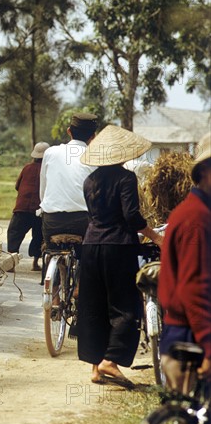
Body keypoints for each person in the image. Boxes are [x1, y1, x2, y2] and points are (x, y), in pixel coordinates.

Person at [76, 125, 163, 386]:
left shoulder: (89, 180)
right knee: (125, 306)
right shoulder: (126, 179)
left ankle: (95, 367)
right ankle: (110, 361)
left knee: (94, 307)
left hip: (91, 246)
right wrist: (156, 236)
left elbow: (94, 216)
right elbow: (132, 217)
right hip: (118, 247)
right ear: (122, 154)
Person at [158, 131, 211, 390]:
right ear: (205, 173)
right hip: (190, 337)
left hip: (186, 332)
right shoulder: (195, 219)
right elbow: (194, 287)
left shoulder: (196, 212)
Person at [39, 112, 98, 248]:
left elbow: (43, 189)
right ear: (93, 136)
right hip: (82, 221)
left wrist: (44, 205)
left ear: (69, 131)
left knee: (50, 250)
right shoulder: (95, 157)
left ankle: (49, 264)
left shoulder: (50, 152)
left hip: (52, 221)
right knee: (86, 258)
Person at [7, 142, 50, 271]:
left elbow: (17, 186)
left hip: (22, 208)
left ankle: (11, 264)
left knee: (14, 233)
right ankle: (35, 263)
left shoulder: (27, 168)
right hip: (40, 209)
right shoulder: (49, 170)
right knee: (39, 236)